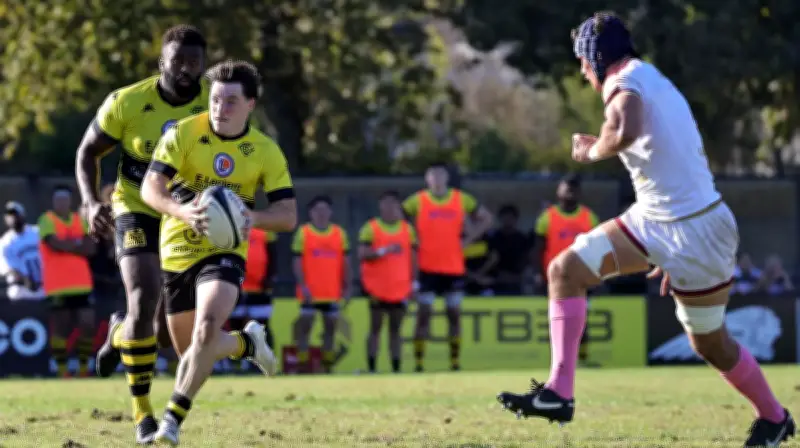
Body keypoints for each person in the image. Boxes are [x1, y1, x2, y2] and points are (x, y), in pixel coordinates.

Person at [497, 12, 794, 447]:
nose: (582, 72)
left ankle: (774, 417)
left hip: (696, 231)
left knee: (710, 344)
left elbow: (624, 128)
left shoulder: (627, 78)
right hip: (659, 221)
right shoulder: (648, 77)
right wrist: (662, 251)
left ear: (598, 56)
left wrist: (590, 151)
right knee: (565, 271)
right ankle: (559, 392)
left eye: (583, 61)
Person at [141, 59, 297, 445]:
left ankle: (171, 422)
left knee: (207, 329)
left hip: (225, 250)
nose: (219, 108)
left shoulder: (265, 151)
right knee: (193, 352)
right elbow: (150, 189)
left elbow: (288, 215)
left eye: (230, 101)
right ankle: (246, 342)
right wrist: (182, 211)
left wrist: (252, 216)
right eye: (214, 99)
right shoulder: (182, 134)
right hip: (177, 249)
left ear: (250, 105)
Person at [74, 25, 209, 442]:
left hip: (183, 214)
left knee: (166, 330)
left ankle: (119, 331)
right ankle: (143, 415)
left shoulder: (215, 103)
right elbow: (87, 153)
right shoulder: (127, 102)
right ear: (161, 63)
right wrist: (91, 201)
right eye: (177, 61)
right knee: (144, 295)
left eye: (193, 62)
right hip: (134, 208)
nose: (185, 69)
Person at [403, 163, 493, 372]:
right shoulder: (417, 200)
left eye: (440, 175)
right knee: (423, 315)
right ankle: (419, 362)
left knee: (453, 314)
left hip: (452, 267)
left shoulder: (461, 199)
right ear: (427, 179)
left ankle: (454, 362)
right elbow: (398, 220)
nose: (436, 179)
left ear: (446, 178)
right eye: (432, 175)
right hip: (426, 267)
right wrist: (411, 239)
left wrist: (469, 239)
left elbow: (487, 219)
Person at [532, 175, 599, 366]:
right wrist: (539, 274)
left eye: (574, 189)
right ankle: (560, 362)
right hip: (556, 279)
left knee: (581, 320)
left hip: (581, 277)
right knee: (558, 321)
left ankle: (583, 360)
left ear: (580, 193)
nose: (570, 192)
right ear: (558, 191)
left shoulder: (589, 217)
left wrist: (596, 275)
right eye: (566, 188)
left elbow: (597, 249)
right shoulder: (547, 217)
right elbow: (538, 249)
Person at [38, 186, 96, 377]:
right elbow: (54, 245)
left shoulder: (80, 220)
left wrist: (68, 246)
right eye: (58, 200)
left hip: (82, 283)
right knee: (62, 327)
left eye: (64, 199)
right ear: (53, 202)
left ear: (70, 202)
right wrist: (77, 245)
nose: (61, 203)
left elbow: (91, 248)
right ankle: (62, 371)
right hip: (57, 285)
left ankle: (83, 368)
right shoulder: (46, 220)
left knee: (87, 324)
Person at [359, 191, 418, 374]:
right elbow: (363, 254)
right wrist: (383, 251)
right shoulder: (371, 228)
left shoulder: (407, 229)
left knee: (396, 330)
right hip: (377, 288)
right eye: (386, 204)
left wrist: (414, 283)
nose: (390, 208)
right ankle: (372, 367)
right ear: (380, 206)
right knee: (375, 328)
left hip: (400, 288)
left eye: (393, 204)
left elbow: (413, 258)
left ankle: (396, 368)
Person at [291, 196, 351, 374]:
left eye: (325, 209)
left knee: (330, 329)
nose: (322, 213)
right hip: (310, 291)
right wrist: (302, 285)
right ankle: (303, 364)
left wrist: (347, 286)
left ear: (330, 212)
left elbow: (346, 262)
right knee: (305, 327)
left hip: (331, 291)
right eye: (318, 210)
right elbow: (296, 261)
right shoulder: (304, 232)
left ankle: (327, 366)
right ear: (311, 213)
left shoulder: (339, 233)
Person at [228, 228, 278, 373]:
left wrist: (270, 278)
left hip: (260, 288)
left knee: (262, 326)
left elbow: (273, 255)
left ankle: (266, 362)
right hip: (235, 286)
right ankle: (237, 363)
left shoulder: (265, 228)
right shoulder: (229, 223)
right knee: (235, 325)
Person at [0, 202, 46, 302]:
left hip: (44, 289)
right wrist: (25, 280)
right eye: (9, 216)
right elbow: (6, 268)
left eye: (15, 214)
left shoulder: (37, 232)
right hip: (21, 291)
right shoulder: (5, 242)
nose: (13, 218)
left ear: (22, 215)